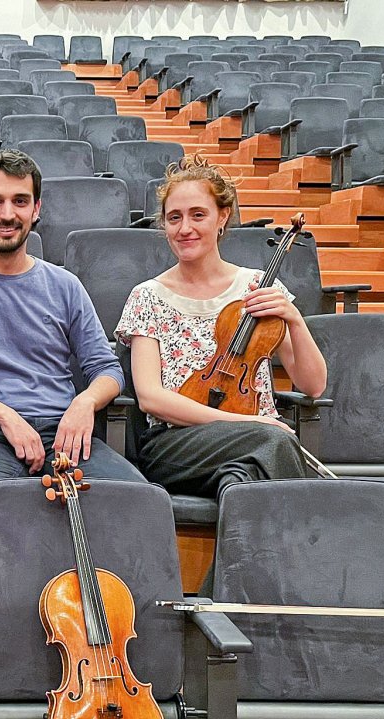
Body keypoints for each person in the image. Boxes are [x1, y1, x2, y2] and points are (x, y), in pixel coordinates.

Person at [0, 149, 146, 500]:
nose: (7, 214)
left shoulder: (66, 284)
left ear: (36, 209)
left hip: (64, 433)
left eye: (20, 201)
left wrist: (84, 403)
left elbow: (107, 369)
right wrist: (5, 416)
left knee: (138, 502)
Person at [115, 154, 328, 500]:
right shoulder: (147, 296)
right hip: (177, 445)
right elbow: (151, 398)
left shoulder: (259, 288)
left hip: (253, 448)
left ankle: (239, 554)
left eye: (198, 215)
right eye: (174, 218)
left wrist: (294, 318)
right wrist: (251, 424)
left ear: (222, 217)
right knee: (272, 442)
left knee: (240, 478)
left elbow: (314, 385)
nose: (185, 228)